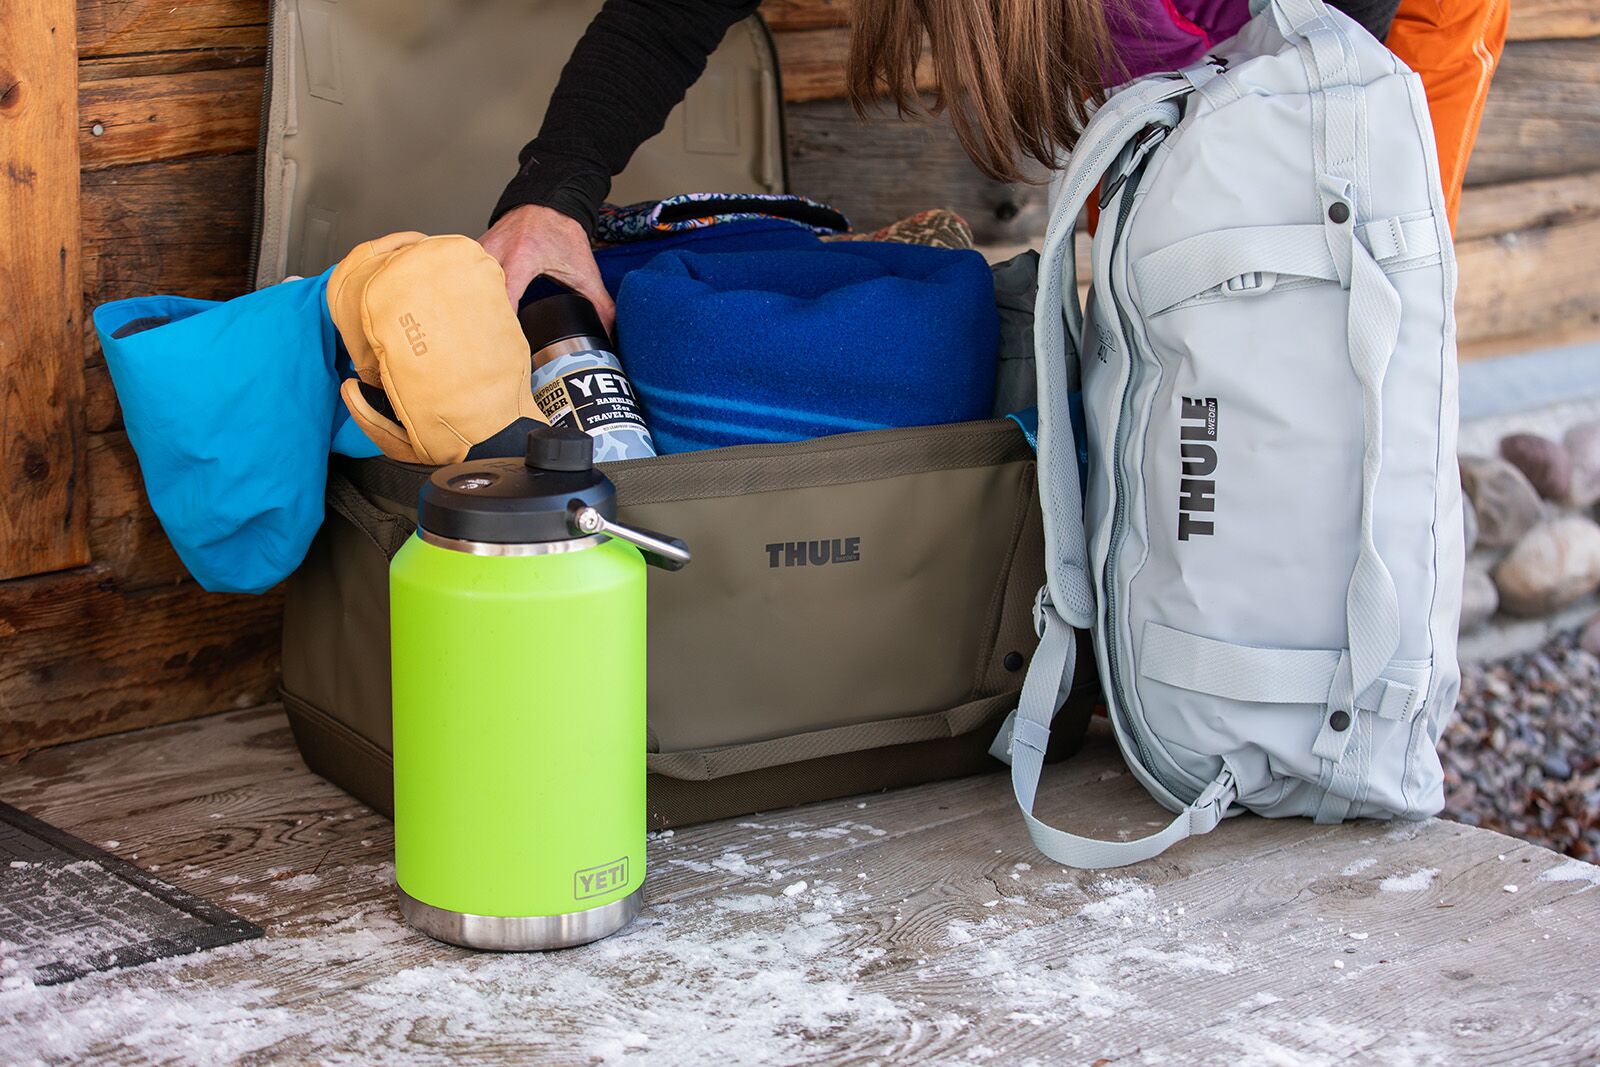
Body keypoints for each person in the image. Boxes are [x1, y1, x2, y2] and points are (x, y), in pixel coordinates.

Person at [478, 0, 1505, 323]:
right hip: (1149, 53)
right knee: (1160, 329)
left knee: (1353, 328)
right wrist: (548, 198)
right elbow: (663, 15)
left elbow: (1331, 103)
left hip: (1378, 28)